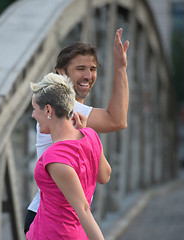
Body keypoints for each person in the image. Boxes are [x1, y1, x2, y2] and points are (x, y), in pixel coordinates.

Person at [24, 28, 129, 233]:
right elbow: (117, 120)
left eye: (93, 68)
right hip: (50, 219)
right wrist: (121, 68)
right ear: (62, 72)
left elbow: (104, 175)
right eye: (81, 68)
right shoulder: (62, 110)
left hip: (66, 219)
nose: (88, 75)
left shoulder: (79, 121)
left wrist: (90, 138)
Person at [26, 73, 111, 239]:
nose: (33, 115)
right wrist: (86, 133)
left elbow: (84, 209)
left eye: (35, 109)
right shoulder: (90, 135)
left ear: (48, 110)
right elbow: (104, 176)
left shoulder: (55, 157)